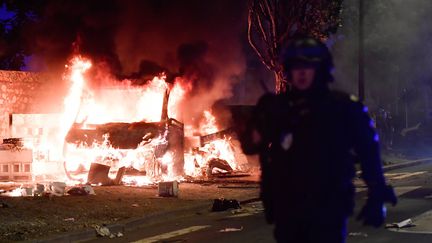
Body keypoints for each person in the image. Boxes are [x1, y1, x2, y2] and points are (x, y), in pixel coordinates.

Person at [239, 37, 397, 243]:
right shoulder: (277, 107)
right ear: (289, 70)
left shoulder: (343, 107)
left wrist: (377, 193)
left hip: (328, 207)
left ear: (321, 69)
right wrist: (258, 121)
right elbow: (251, 146)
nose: (302, 72)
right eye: (296, 66)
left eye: (308, 66)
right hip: (288, 208)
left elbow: (368, 151)